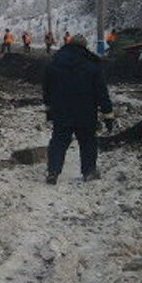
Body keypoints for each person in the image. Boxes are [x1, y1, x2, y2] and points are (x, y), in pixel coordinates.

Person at [43, 34, 114, 184]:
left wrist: (49, 110)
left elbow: (47, 89)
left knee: (58, 141)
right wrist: (108, 115)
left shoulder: (55, 62)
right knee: (88, 142)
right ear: (84, 46)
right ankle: (88, 171)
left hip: (61, 111)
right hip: (86, 112)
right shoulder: (92, 65)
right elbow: (102, 92)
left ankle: (53, 171)